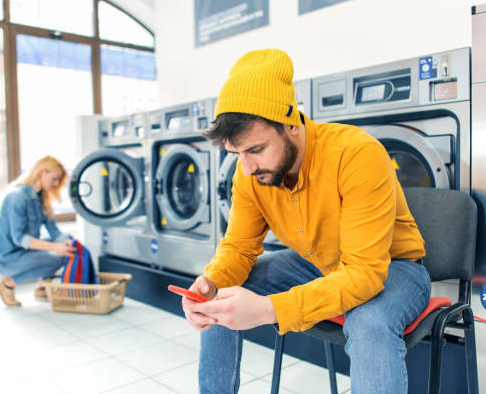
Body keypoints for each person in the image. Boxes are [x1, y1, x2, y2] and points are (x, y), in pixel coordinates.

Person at [180, 49, 432, 394]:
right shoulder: (248, 174)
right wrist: (208, 284)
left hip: (392, 267)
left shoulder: (356, 154)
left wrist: (269, 309)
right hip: (316, 264)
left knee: (370, 322)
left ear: (290, 125)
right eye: (235, 154)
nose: (246, 168)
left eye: (255, 150)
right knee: (221, 296)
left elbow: (364, 274)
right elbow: (238, 247)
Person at [0, 155, 75, 306]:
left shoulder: (41, 199)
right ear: (42, 172)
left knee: (67, 248)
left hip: (23, 252)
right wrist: (56, 247)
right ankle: (8, 284)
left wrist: (69, 242)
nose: (56, 184)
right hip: (6, 258)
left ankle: (42, 287)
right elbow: (19, 239)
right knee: (57, 256)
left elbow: (54, 232)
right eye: (54, 179)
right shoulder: (17, 197)